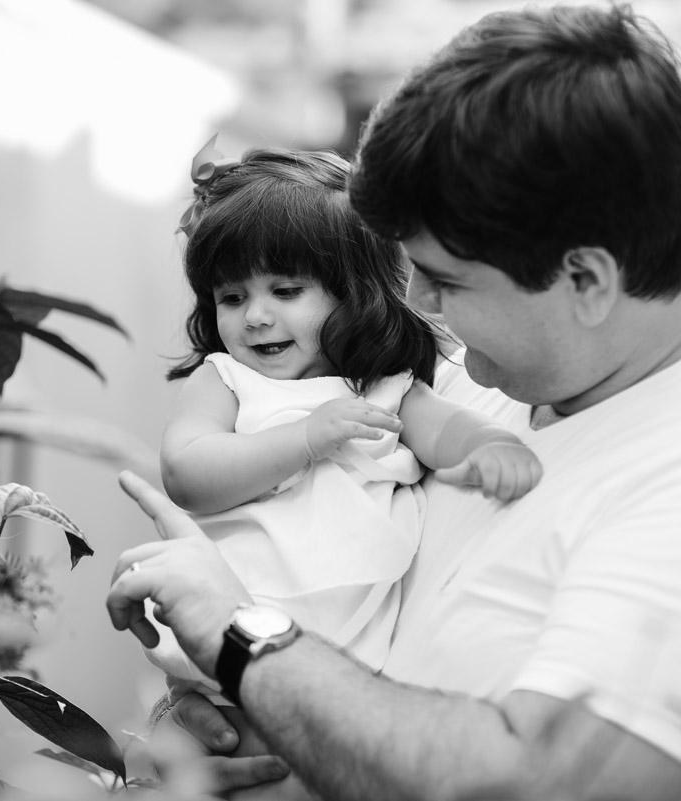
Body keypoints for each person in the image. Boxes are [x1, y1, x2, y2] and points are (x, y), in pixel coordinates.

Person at [108, 4, 681, 800]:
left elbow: (536, 781)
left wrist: (241, 636)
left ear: (585, 279)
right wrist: (190, 741)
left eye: (446, 279)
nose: (416, 303)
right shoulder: (473, 377)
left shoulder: (662, 488)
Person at [144, 142, 542, 789]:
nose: (256, 316)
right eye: (232, 296)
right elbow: (187, 471)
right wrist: (305, 437)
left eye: (285, 290)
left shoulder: (384, 389)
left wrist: (490, 448)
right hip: (230, 655)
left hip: (349, 672)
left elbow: (446, 428)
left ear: (353, 289)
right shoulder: (228, 380)